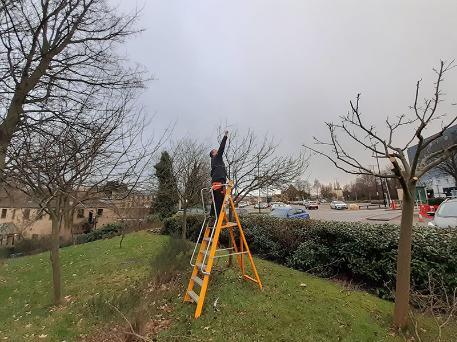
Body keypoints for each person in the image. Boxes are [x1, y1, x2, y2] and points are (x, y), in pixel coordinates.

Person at [209, 130, 228, 221]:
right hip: (219, 182)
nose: (217, 150)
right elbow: (222, 147)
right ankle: (217, 219)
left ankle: (212, 216)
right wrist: (225, 136)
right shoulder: (217, 157)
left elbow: (213, 173)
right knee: (219, 200)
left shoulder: (214, 162)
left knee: (215, 200)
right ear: (213, 154)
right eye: (215, 151)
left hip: (215, 183)